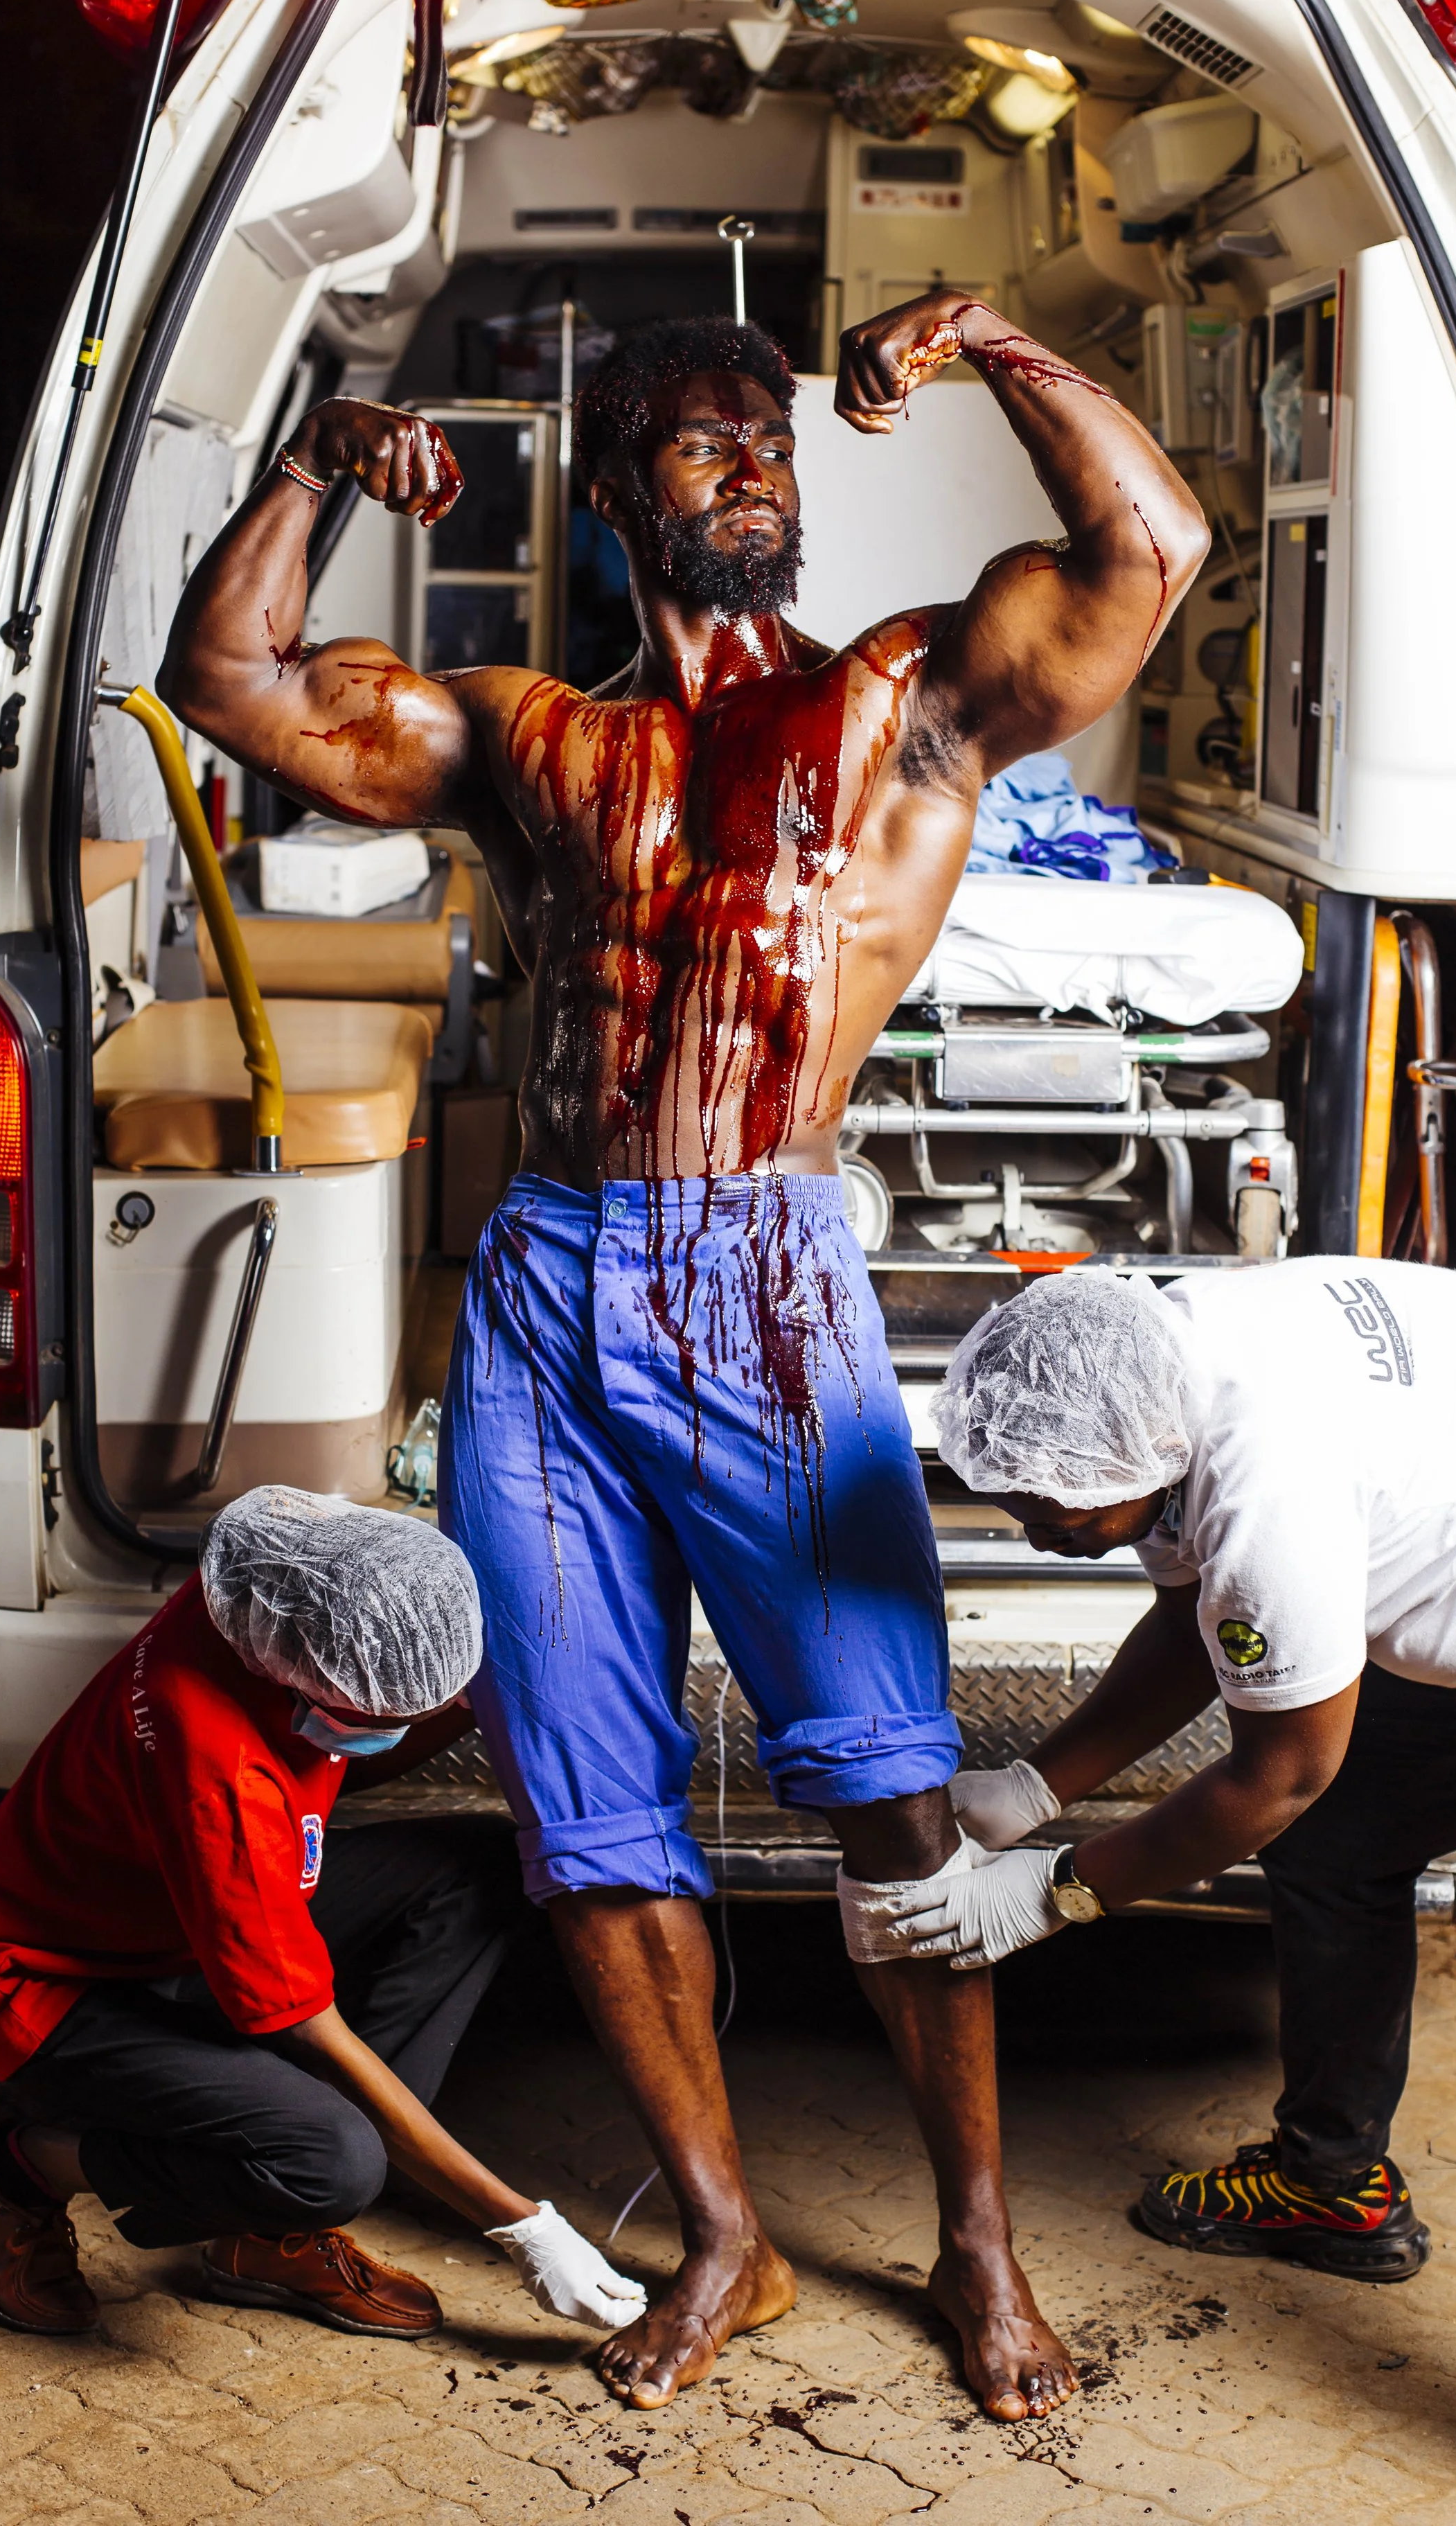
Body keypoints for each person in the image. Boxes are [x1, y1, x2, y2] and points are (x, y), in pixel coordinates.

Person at [157, 293, 1209, 2419]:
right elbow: (229, 681)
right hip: (547, 1281)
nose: (756, 471)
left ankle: (975, 2238)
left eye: (771, 441)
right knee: (581, 1809)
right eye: (704, 444)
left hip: (765, 1270)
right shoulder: (527, 731)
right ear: (623, 482)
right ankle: (719, 2227)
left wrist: (997, 340)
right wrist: (316, 464)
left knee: (889, 1793)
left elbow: (1146, 552)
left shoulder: (902, 703)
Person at [852, 1260, 1456, 2285]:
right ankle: (1331, 2187)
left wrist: (1058, 1891)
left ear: (1149, 1459)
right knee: (1340, 1844)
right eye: (1021, 1514)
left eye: (1061, 1516)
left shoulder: (1269, 1486)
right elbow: (1193, 1620)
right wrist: (1035, 1789)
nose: (1044, 1538)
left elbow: (1278, 1778)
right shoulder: (1154, 1359)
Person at [0, 1486, 646, 2341]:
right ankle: (25, 2166)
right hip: (47, 1982)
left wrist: (483, 1700)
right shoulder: (217, 1771)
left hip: (175, 1923)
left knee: (478, 1872)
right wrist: (524, 2226)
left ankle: (267, 2235)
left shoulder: (273, 1597)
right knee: (335, 2160)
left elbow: (345, 1752)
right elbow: (312, 2026)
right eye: (387, 1715)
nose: (406, 1725)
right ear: (317, 1684)